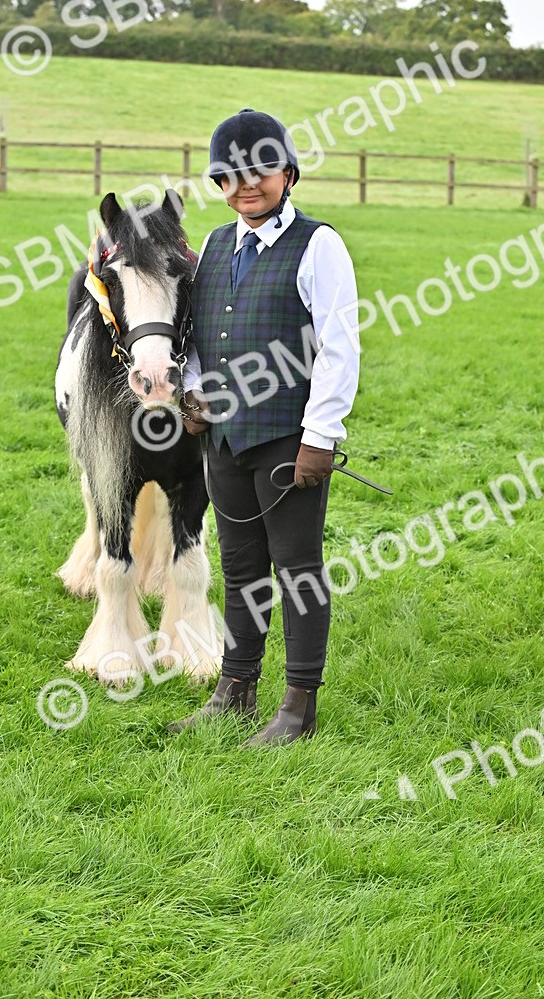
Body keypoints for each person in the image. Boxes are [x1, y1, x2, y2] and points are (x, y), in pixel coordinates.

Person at [169, 108, 360, 746]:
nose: (245, 185)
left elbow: (339, 347)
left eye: (260, 172)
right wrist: (194, 392)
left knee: (297, 568)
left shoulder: (318, 245)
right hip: (224, 439)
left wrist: (320, 437)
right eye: (230, 176)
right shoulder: (215, 245)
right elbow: (201, 332)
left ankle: (299, 707)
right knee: (241, 566)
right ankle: (236, 690)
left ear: (288, 175)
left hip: (287, 438)